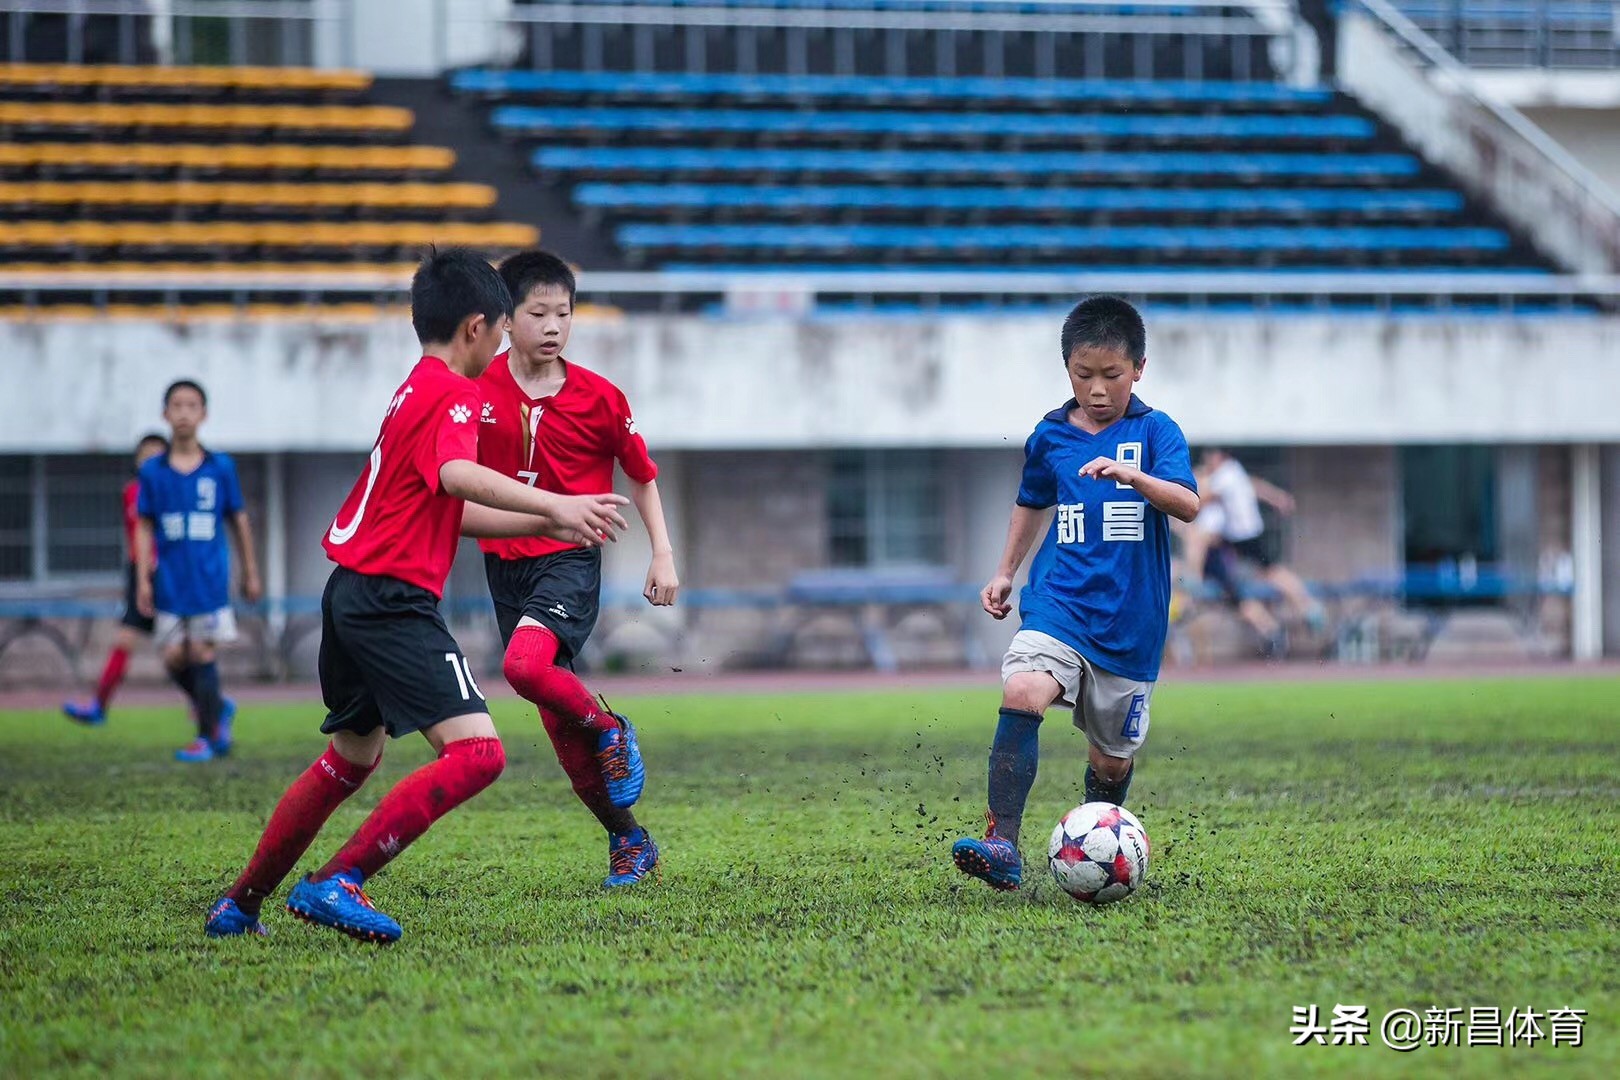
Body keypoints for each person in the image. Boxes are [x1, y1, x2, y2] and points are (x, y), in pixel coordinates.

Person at [205, 248, 630, 943]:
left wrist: (548, 521)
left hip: (349, 593)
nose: (503, 344)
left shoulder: (415, 387)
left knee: (350, 760)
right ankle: (338, 880)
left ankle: (240, 905)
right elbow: (459, 474)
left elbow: (450, 506)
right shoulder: (456, 394)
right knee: (479, 754)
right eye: (503, 327)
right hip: (392, 601)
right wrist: (554, 501)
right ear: (476, 327)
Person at [951, 296, 1199, 891]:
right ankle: (1002, 844)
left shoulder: (1156, 431)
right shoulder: (1051, 435)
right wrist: (1005, 571)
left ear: (1138, 368)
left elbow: (1189, 504)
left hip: (1131, 623)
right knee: (1023, 689)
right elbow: (1031, 502)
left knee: (1110, 762)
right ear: (1067, 369)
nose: (1097, 389)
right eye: (1083, 375)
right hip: (1059, 602)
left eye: (1111, 375)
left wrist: (1135, 476)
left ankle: (1099, 833)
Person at [478, 250, 678, 889]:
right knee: (562, 734)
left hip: (569, 560)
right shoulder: (475, 393)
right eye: (538, 313)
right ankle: (629, 839)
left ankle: (612, 728)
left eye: (563, 314)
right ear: (506, 318)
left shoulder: (600, 397)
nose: (553, 326)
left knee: (522, 668)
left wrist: (662, 552)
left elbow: (642, 476)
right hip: (505, 569)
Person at [134, 381, 261, 762]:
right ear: (165, 414)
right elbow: (143, 525)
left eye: (192, 405)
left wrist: (250, 571)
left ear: (203, 414)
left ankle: (206, 736)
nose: (184, 413)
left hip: (209, 579)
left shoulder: (220, 467)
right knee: (174, 656)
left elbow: (238, 519)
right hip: (171, 581)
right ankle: (217, 707)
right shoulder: (153, 472)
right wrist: (143, 578)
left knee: (202, 651)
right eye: (177, 405)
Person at [62, 433, 169, 726]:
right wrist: (142, 573)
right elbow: (137, 534)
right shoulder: (131, 492)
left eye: (157, 455)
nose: (151, 461)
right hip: (139, 572)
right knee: (124, 639)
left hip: (169, 573)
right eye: (145, 455)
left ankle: (211, 709)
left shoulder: (174, 492)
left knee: (179, 650)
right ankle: (99, 705)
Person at [1196, 447, 1326, 657]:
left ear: (1220, 457)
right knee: (1264, 575)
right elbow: (1255, 484)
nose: (1208, 462)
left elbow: (1199, 500)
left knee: (1271, 573)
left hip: (1244, 535)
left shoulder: (1224, 476)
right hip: (1240, 536)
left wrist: (1191, 483)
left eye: (1210, 458)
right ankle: (1300, 610)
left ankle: (1307, 607)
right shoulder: (1234, 471)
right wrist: (1276, 497)